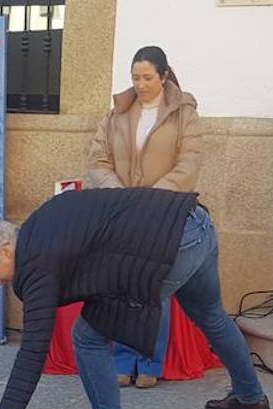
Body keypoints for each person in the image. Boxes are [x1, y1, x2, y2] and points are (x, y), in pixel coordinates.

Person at [0, 188, 270, 409]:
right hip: (195, 222)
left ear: (6, 251)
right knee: (211, 314)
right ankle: (250, 397)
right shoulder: (41, 222)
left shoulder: (36, 261)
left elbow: (34, 348)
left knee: (88, 339)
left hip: (170, 246)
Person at [86, 45, 206, 388]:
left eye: (148, 77)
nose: (140, 84)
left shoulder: (184, 113)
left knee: (155, 289)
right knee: (124, 286)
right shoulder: (118, 113)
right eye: (135, 77)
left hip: (162, 213)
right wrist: (119, 194)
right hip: (123, 211)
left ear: (163, 76)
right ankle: (123, 361)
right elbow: (98, 159)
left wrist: (154, 197)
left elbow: (190, 161)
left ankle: (150, 363)